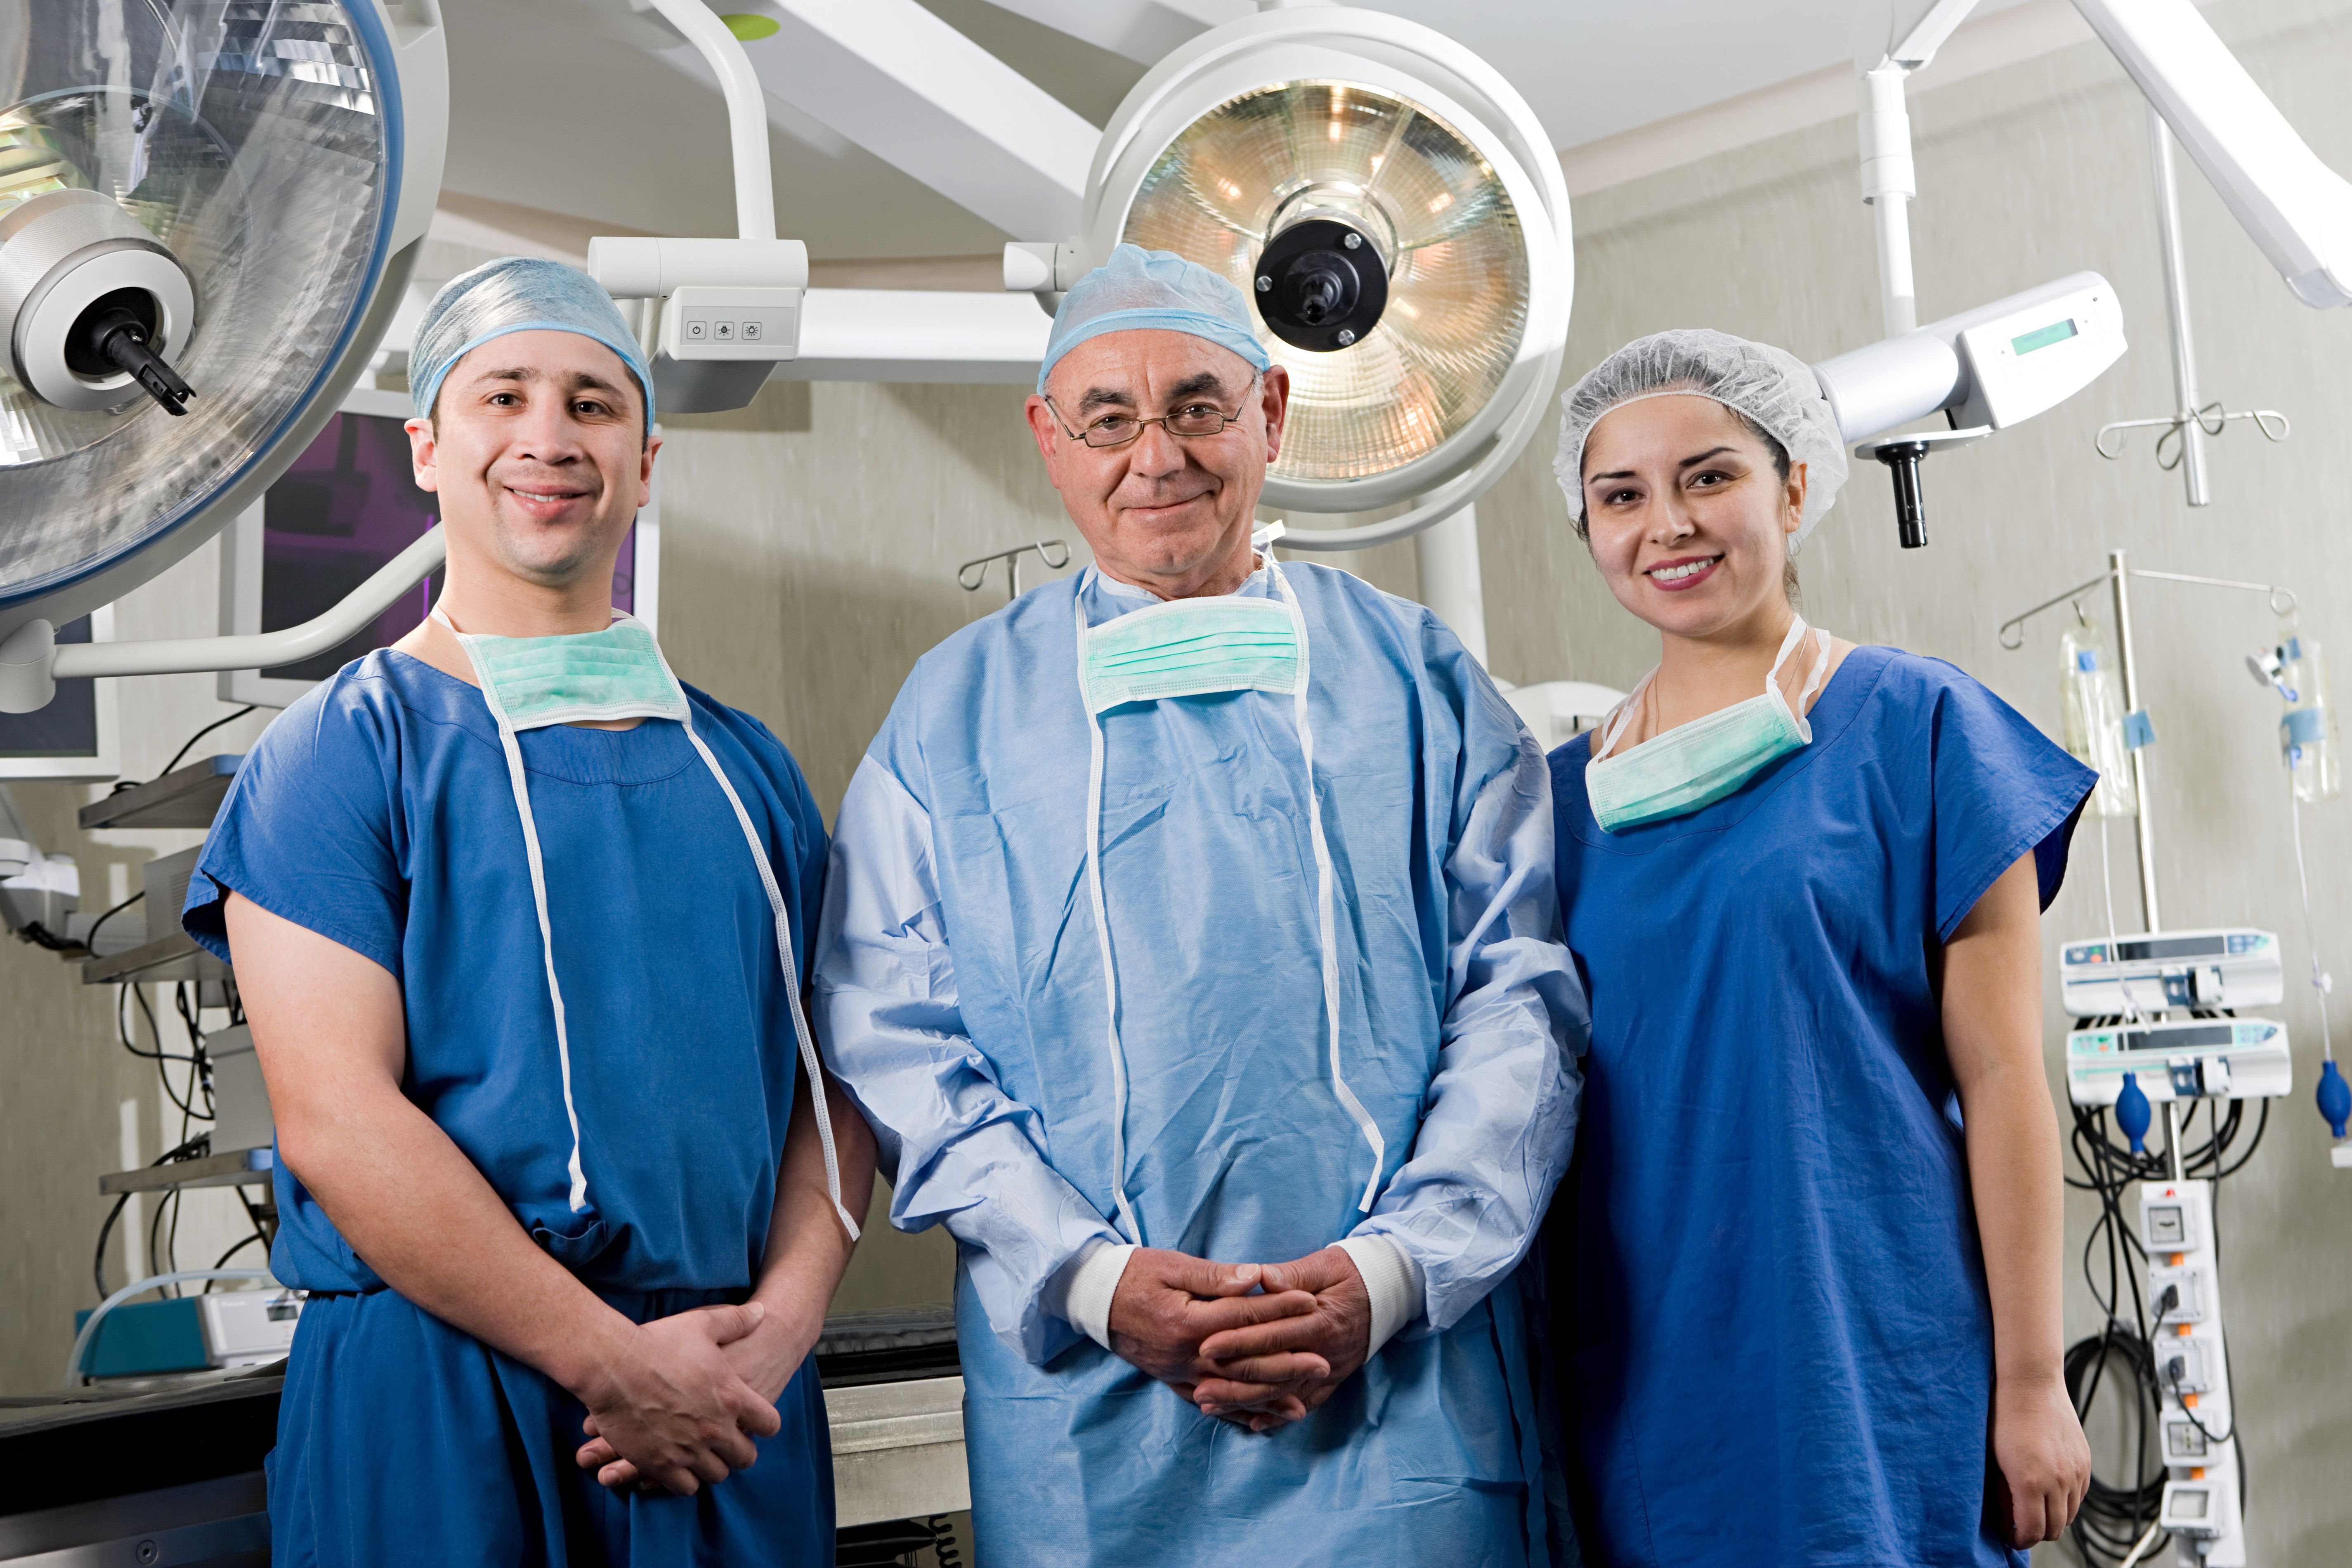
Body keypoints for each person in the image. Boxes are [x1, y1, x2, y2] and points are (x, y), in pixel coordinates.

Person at [814, 244, 1587, 1566]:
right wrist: (1092, 1279)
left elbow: (1517, 999)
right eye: (1107, 419)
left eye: (1196, 406)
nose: (1155, 455)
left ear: (1271, 413)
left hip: (1396, 1387)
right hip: (1092, 1408)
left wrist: (1390, 1274)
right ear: (1047, 441)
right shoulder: (952, 716)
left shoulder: (1417, 680)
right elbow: (891, 1036)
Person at [181, 256, 874, 1565]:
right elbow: (340, 1121)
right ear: (427, 450)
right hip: (447, 1389)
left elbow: (832, 1089)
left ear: (646, 463)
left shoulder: (747, 771)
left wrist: (780, 1331)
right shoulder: (344, 752)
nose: (549, 438)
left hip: (727, 1396)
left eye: (592, 405)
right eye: (502, 396)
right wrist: (609, 1360)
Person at [1539, 329, 2094, 1566]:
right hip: (1645, 1375)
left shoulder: (1918, 727)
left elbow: (2005, 1076)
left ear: (1793, 488)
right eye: (1620, 496)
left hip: (1877, 1346)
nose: (1668, 524)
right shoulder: (1550, 807)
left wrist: (2029, 1380)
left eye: (1709, 476)